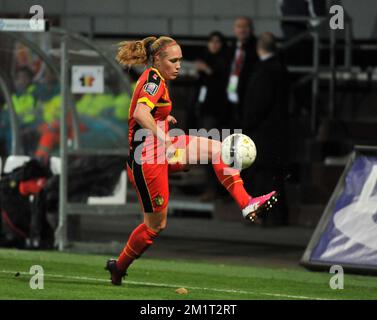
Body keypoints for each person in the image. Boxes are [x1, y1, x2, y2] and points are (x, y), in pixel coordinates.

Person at [105, 36, 278, 286]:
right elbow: (140, 113)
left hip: (161, 150)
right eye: (173, 61)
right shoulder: (153, 80)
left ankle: (247, 203)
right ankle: (118, 267)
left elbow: (149, 111)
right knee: (155, 225)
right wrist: (162, 135)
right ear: (157, 60)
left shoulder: (158, 79)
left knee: (219, 149)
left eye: (180, 61)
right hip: (147, 161)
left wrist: (165, 120)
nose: (178, 66)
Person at [241, 32, 289, 226]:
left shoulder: (264, 71)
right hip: (277, 132)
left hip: (262, 132)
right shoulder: (281, 69)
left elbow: (259, 103)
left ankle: (264, 216)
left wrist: (246, 123)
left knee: (262, 176)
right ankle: (274, 216)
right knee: (273, 176)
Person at [194, 31, 229, 200]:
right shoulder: (205, 58)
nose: (214, 45)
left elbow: (221, 85)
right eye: (211, 41)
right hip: (205, 111)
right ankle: (213, 188)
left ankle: (219, 189)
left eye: (217, 42)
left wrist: (208, 71)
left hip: (218, 113)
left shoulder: (224, 62)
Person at [226, 17, 258, 127]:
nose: (242, 30)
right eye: (239, 27)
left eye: (245, 27)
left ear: (252, 29)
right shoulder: (231, 46)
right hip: (231, 90)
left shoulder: (257, 47)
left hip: (248, 94)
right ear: (234, 30)